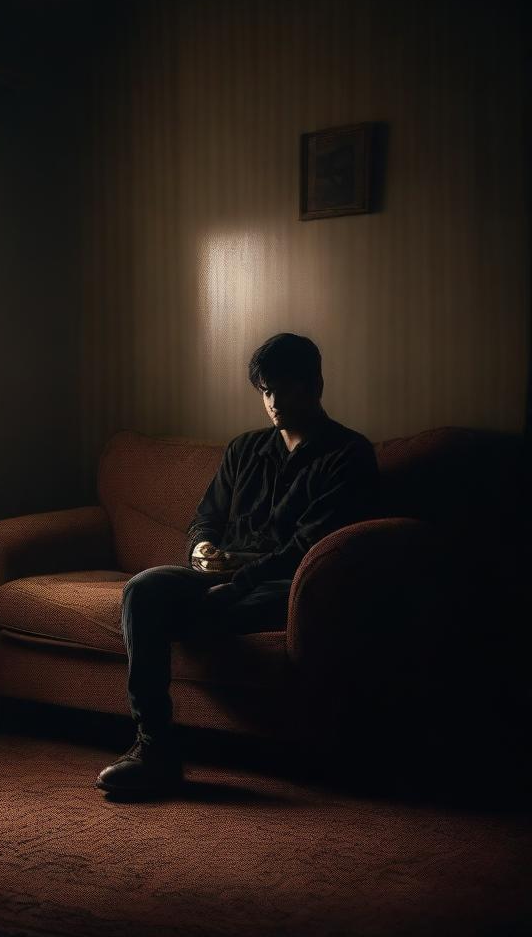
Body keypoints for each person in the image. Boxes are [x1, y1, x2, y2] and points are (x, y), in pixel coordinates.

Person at [95, 332, 379, 795]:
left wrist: (239, 581)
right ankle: (155, 746)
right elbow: (206, 518)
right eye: (266, 390)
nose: (273, 401)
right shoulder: (245, 449)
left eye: (284, 388)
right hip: (218, 576)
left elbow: (310, 544)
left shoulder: (348, 455)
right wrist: (200, 549)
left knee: (189, 608)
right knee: (142, 589)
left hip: (289, 584)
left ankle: (164, 744)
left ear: (315, 385)